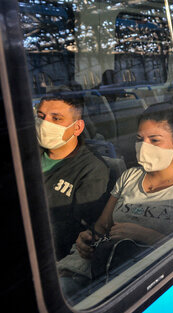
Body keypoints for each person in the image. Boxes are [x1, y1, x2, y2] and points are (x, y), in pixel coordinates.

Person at [75, 105, 173, 259]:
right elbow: (102, 227)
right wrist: (88, 239)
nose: (144, 146)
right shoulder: (129, 177)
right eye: (140, 139)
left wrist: (146, 236)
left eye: (154, 140)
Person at [35, 90, 110, 260]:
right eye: (41, 116)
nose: (44, 124)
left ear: (77, 127)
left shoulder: (92, 170)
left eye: (56, 119)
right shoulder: (25, 156)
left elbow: (78, 231)